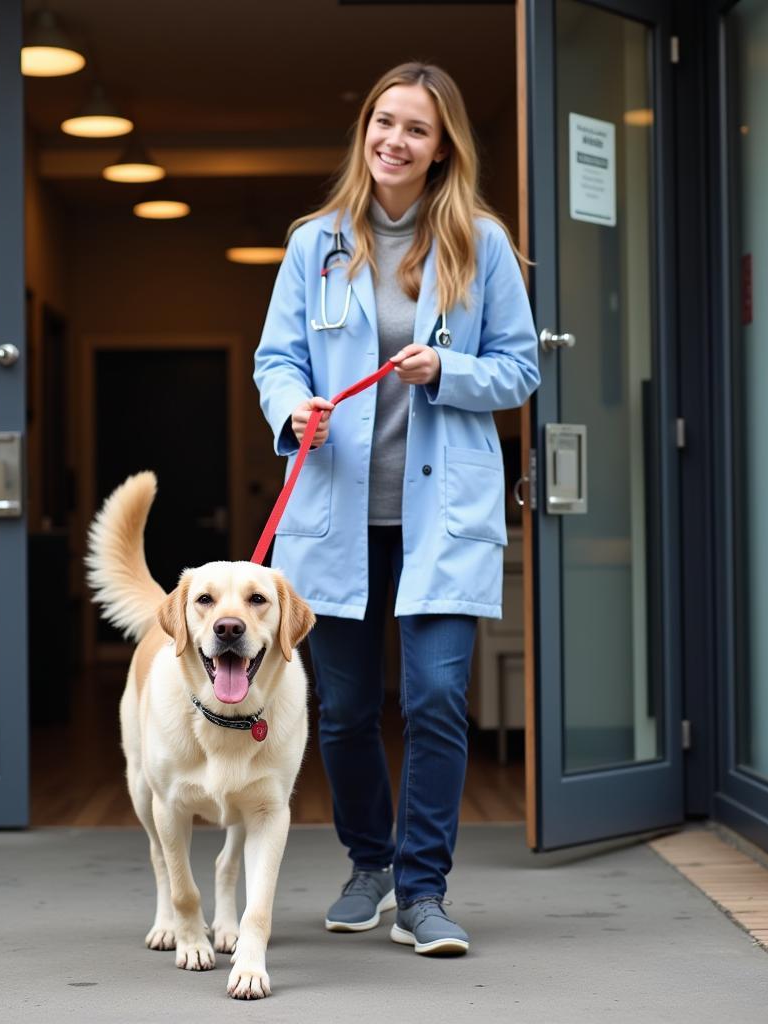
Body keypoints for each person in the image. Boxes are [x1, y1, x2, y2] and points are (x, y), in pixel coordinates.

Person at [252, 62, 539, 957]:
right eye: (383, 122)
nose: (394, 141)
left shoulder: (481, 245)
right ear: (364, 132)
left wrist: (445, 372)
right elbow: (276, 360)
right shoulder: (317, 242)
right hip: (336, 509)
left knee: (438, 697)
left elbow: (521, 369)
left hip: (438, 519)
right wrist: (291, 408)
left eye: (415, 128)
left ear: (443, 144)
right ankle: (368, 863)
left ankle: (423, 891)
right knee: (340, 708)